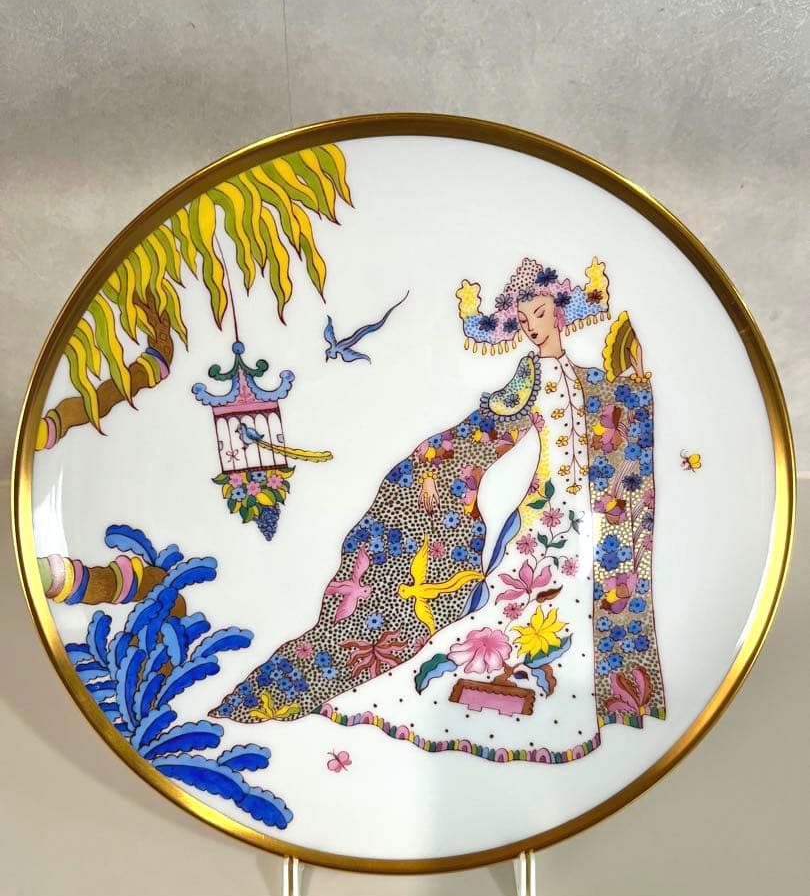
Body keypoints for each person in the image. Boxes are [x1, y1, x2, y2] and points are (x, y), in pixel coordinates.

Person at [212, 257, 664, 765]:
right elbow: (482, 432)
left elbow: (621, 417)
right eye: (522, 320)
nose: (531, 327)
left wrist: (638, 386)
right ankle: (504, 697)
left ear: (559, 311)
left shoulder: (591, 379)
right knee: (519, 605)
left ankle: (599, 704)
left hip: (589, 518)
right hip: (545, 519)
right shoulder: (528, 378)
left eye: (538, 314)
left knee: (586, 602)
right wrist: (429, 468)